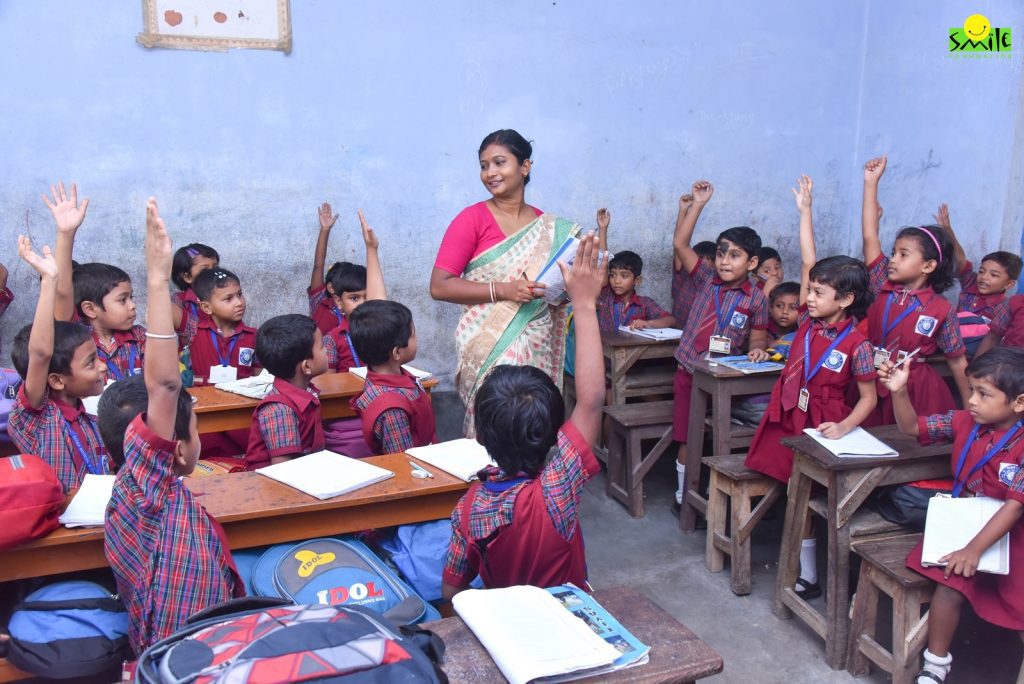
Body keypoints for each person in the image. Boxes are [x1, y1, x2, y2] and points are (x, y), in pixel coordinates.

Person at [101, 198, 243, 655]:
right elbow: (163, 384)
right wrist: (157, 277)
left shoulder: (132, 491)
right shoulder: (151, 492)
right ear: (176, 449)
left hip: (183, 645)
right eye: (194, 428)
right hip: (186, 653)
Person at [442, 234, 607, 597]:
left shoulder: (470, 506)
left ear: (480, 435)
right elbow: (591, 401)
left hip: (507, 623)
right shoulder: (557, 489)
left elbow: (452, 590)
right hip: (566, 618)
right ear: (556, 432)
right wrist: (584, 304)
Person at [744, 176, 877, 599]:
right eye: (812, 290)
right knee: (790, 489)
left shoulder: (858, 345)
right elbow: (807, 262)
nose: (811, 297)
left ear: (846, 300)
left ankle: (812, 575)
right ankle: (801, 566)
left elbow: (869, 398)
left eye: (819, 292)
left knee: (813, 498)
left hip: (825, 422)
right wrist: (805, 211)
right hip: (790, 413)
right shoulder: (807, 321)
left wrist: (845, 427)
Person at [879, 347, 1024, 684]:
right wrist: (899, 391)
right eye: (971, 390)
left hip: (1013, 532)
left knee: (1019, 603)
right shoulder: (963, 421)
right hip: (965, 522)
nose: (971, 400)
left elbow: (1015, 505)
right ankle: (935, 665)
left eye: (983, 394)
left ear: (1019, 402)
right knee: (949, 584)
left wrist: (973, 550)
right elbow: (911, 426)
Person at [430, 129, 578, 436]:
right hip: (489, 343)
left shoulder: (548, 227)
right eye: (484, 166)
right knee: (495, 425)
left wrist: (559, 293)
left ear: (525, 166)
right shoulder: (471, 219)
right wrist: (503, 290)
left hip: (536, 341)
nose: (490, 173)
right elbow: (440, 285)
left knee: (532, 424)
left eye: (499, 162)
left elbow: (556, 292)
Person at [670, 179, 770, 507]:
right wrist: (698, 204)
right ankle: (683, 496)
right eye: (721, 253)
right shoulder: (705, 278)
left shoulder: (757, 299)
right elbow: (680, 243)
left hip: (723, 379)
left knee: (720, 437)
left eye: (735, 255)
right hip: (690, 371)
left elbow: (758, 335)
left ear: (752, 263)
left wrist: (758, 348)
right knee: (688, 435)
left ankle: (717, 494)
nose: (725, 261)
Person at [860, 156, 969, 424]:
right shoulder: (881, 284)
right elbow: (869, 236)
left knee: (906, 439)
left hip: (915, 389)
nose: (893, 259)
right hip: (873, 378)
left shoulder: (941, 309)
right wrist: (871, 183)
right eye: (893, 252)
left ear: (928, 266)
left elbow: (957, 361)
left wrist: (971, 410)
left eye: (903, 254)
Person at [8, 237, 109, 491]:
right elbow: (41, 353)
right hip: (59, 516)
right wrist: (49, 282)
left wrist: (66, 233)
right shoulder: (38, 420)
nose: (103, 367)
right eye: (91, 363)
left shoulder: (93, 421)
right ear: (56, 380)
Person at [350, 300, 436, 454]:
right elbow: (403, 459)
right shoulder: (392, 410)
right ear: (397, 352)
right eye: (413, 335)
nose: (416, 339)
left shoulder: (382, 373)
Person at [244, 314, 329, 469]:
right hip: (276, 481)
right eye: (322, 346)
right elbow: (283, 471)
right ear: (306, 366)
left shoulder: (307, 392)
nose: (327, 350)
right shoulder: (279, 410)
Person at [322, 210, 387, 373]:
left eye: (367, 296)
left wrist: (372, 248)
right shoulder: (332, 339)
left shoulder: (380, 331)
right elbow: (327, 383)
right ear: (339, 302)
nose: (363, 303)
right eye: (354, 298)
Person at [187, 267, 259, 386]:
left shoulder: (253, 336)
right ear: (207, 307)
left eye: (239, 294)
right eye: (228, 299)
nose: (239, 303)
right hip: (202, 397)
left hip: (242, 398)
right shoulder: (194, 332)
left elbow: (259, 378)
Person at [170, 242, 219, 350]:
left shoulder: (224, 297)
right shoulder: (178, 300)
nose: (213, 273)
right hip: (190, 357)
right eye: (205, 270)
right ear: (187, 277)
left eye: (216, 267)